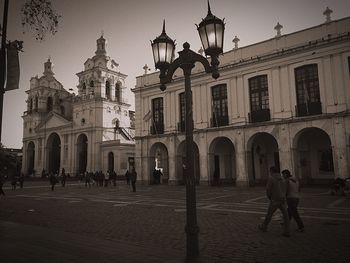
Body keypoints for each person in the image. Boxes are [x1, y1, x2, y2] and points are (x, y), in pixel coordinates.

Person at [258, 166, 290, 237]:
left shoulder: (271, 178)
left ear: (271, 171)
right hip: (282, 199)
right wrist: (284, 196)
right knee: (286, 216)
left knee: (269, 214)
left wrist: (270, 197)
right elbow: (286, 189)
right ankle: (287, 231)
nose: (270, 173)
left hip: (274, 199)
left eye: (270, 171)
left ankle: (264, 227)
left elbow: (268, 189)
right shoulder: (283, 178)